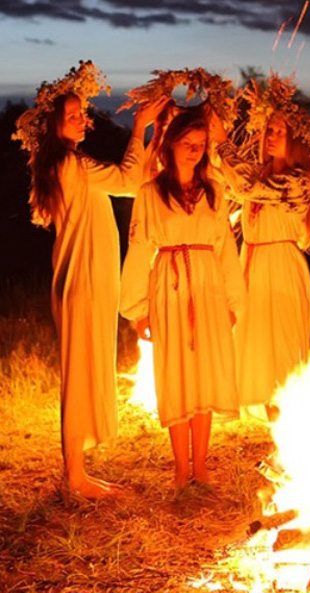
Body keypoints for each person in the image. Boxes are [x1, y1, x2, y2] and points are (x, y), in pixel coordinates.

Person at [15, 62, 167, 498]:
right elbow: (126, 180)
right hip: (82, 279)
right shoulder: (70, 164)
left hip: (84, 278)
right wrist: (140, 128)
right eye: (74, 116)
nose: (85, 120)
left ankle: (78, 471)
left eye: (84, 113)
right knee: (79, 373)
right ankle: (75, 477)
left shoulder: (66, 163)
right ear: (54, 126)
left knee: (85, 369)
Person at [120, 107, 245, 495]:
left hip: (208, 284)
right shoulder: (150, 193)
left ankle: (202, 465)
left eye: (201, 145)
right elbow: (140, 249)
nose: (194, 151)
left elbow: (226, 247)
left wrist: (232, 301)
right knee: (175, 373)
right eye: (188, 144)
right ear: (171, 143)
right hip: (169, 286)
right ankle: (180, 467)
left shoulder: (215, 192)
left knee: (205, 372)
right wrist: (138, 311)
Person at [207, 89, 310, 420]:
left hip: (280, 267)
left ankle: (290, 423)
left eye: (281, 132)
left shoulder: (298, 182)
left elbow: (245, 187)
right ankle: (270, 416)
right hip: (251, 263)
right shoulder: (261, 173)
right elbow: (225, 174)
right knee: (253, 343)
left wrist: (224, 141)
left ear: (295, 140)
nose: (272, 137)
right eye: (270, 130)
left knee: (280, 345)